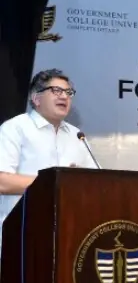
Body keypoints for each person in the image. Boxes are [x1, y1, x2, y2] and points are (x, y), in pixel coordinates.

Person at [0, 69, 97, 252]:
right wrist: (58, 182)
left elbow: (96, 183)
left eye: (68, 92)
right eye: (56, 91)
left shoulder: (77, 136)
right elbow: (2, 182)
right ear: (36, 98)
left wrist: (77, 182)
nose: (64, 97)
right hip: (21, 237)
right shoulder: (15, 128)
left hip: (69, 236)